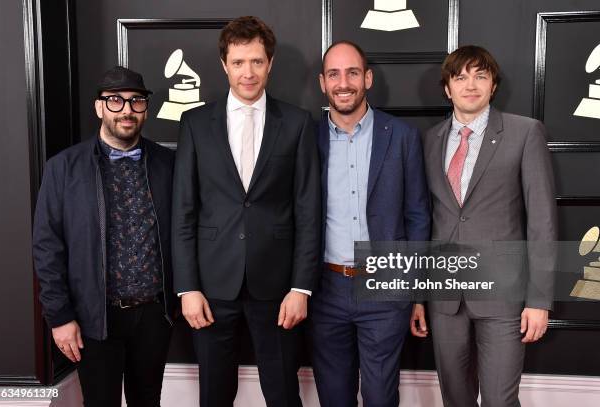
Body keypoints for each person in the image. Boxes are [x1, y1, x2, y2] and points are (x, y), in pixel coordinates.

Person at [172, 16, 320, 407]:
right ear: (225, 65)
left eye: (256, 61)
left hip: (278, 288)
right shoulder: (195, 123)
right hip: (211, 286)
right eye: (239, 63)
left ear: (270, 63)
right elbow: (183, 212)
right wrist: (187, 288)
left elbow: (308, 211)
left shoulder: (298, 124)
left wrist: (301, 287)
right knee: (214, 395)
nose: (248, 72)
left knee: (284, 394)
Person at [411, 45, 557, 407]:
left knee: (499, 400)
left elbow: (542, 220)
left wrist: (539, 300)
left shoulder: (525, 133)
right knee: (455, 400)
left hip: (503, 297)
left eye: (480, 76)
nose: (470, 85)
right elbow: (423, 220)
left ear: (493, 85)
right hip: (444, 299)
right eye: (460, 77)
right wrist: (417, 296)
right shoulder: (429, 141)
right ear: (447, 88)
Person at [33, 66, 176, 406]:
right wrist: (60, 317)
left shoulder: (169, 163)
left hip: (154, 314)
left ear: (145, 108)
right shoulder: (63, 168)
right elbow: (46, 247)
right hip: (93, 316)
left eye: (136, 101)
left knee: (148, 400)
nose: (126, 110)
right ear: (99, 108)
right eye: (115, 100)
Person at [311, 40, 431, 407]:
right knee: (334, 396)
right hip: (325, 288)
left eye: (352, 72)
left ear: (368, 78)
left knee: (380, 396)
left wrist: (417, 294)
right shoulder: (306, 138)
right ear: (322, 82)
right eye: (334, 74)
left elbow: (417, 217)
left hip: (386, 284)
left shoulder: (402, 136)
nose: (343, 82)